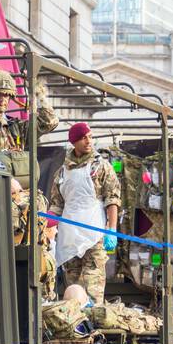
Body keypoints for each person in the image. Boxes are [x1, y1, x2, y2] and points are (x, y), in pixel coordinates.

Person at [50, 122, 121, 305]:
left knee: (93, 285)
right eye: (83, 138)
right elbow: (56, 206)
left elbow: (112, 199)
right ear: (74, 142)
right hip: (69, 236)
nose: (88, 141)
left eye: (90, 136)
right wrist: (45, 229)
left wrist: (111, 229)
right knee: (72, 290)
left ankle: (95, 324)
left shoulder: (101, 167)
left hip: (94, 233)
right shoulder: (62, 173)